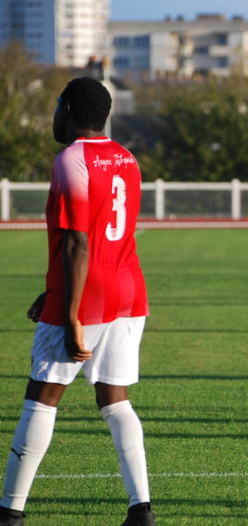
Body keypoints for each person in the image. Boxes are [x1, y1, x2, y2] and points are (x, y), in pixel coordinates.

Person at [0, 78, 156, 526]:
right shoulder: (127, 158)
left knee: (42, 396)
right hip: (128, 289)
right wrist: (52, 288)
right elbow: (106, 236)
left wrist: (70, 315)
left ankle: (10, 511)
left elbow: (78, 244)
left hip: (87, 294)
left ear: (67, 109)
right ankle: (141, 509)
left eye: (55, 105)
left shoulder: (70, 160)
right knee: (115, 400)